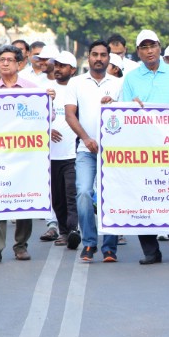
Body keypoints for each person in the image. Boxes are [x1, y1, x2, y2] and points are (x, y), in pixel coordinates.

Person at [122, 29, 169, 264]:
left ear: (160, 48)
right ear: (138, 52)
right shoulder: (131, 78)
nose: (149, 50)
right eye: (144, 47)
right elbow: (123, 112)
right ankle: (150, 251)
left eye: (152, 45)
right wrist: (130, 106)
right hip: (142, 148)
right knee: (142, 196)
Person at [0, 44, 42, 263]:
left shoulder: (32, 90)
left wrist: (48, 100)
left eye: (10, 60)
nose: (5, 63)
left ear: (19, 64)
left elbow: (46, 117)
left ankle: (21, 245)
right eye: (1, 59)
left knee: (23, 199)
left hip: (25, 155)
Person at [65, 40, 123, 263]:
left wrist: (115, 103)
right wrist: (86, 138)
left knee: (112, 196)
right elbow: (70, 114)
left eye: (103, 55)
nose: (99, 58)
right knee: (82, 193)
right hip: (85, 149)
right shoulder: (76, 83)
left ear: (109, 58)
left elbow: (129, 113)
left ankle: (110, 247)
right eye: (95, 54)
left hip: (113, 151)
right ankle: (89, 243)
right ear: (88, 58)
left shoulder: (119, 84)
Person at [42, 51, 81, 251]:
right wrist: (47, 129)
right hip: (51, 154)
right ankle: (64, 230)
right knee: (57, 197)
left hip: (73, 153)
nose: (58, 69)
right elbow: (33, 117)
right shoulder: (46, 89)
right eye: (56, 65)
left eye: (63, 65)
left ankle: (72, 231)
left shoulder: (79, 88)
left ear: (72, 70)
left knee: (71, 194)